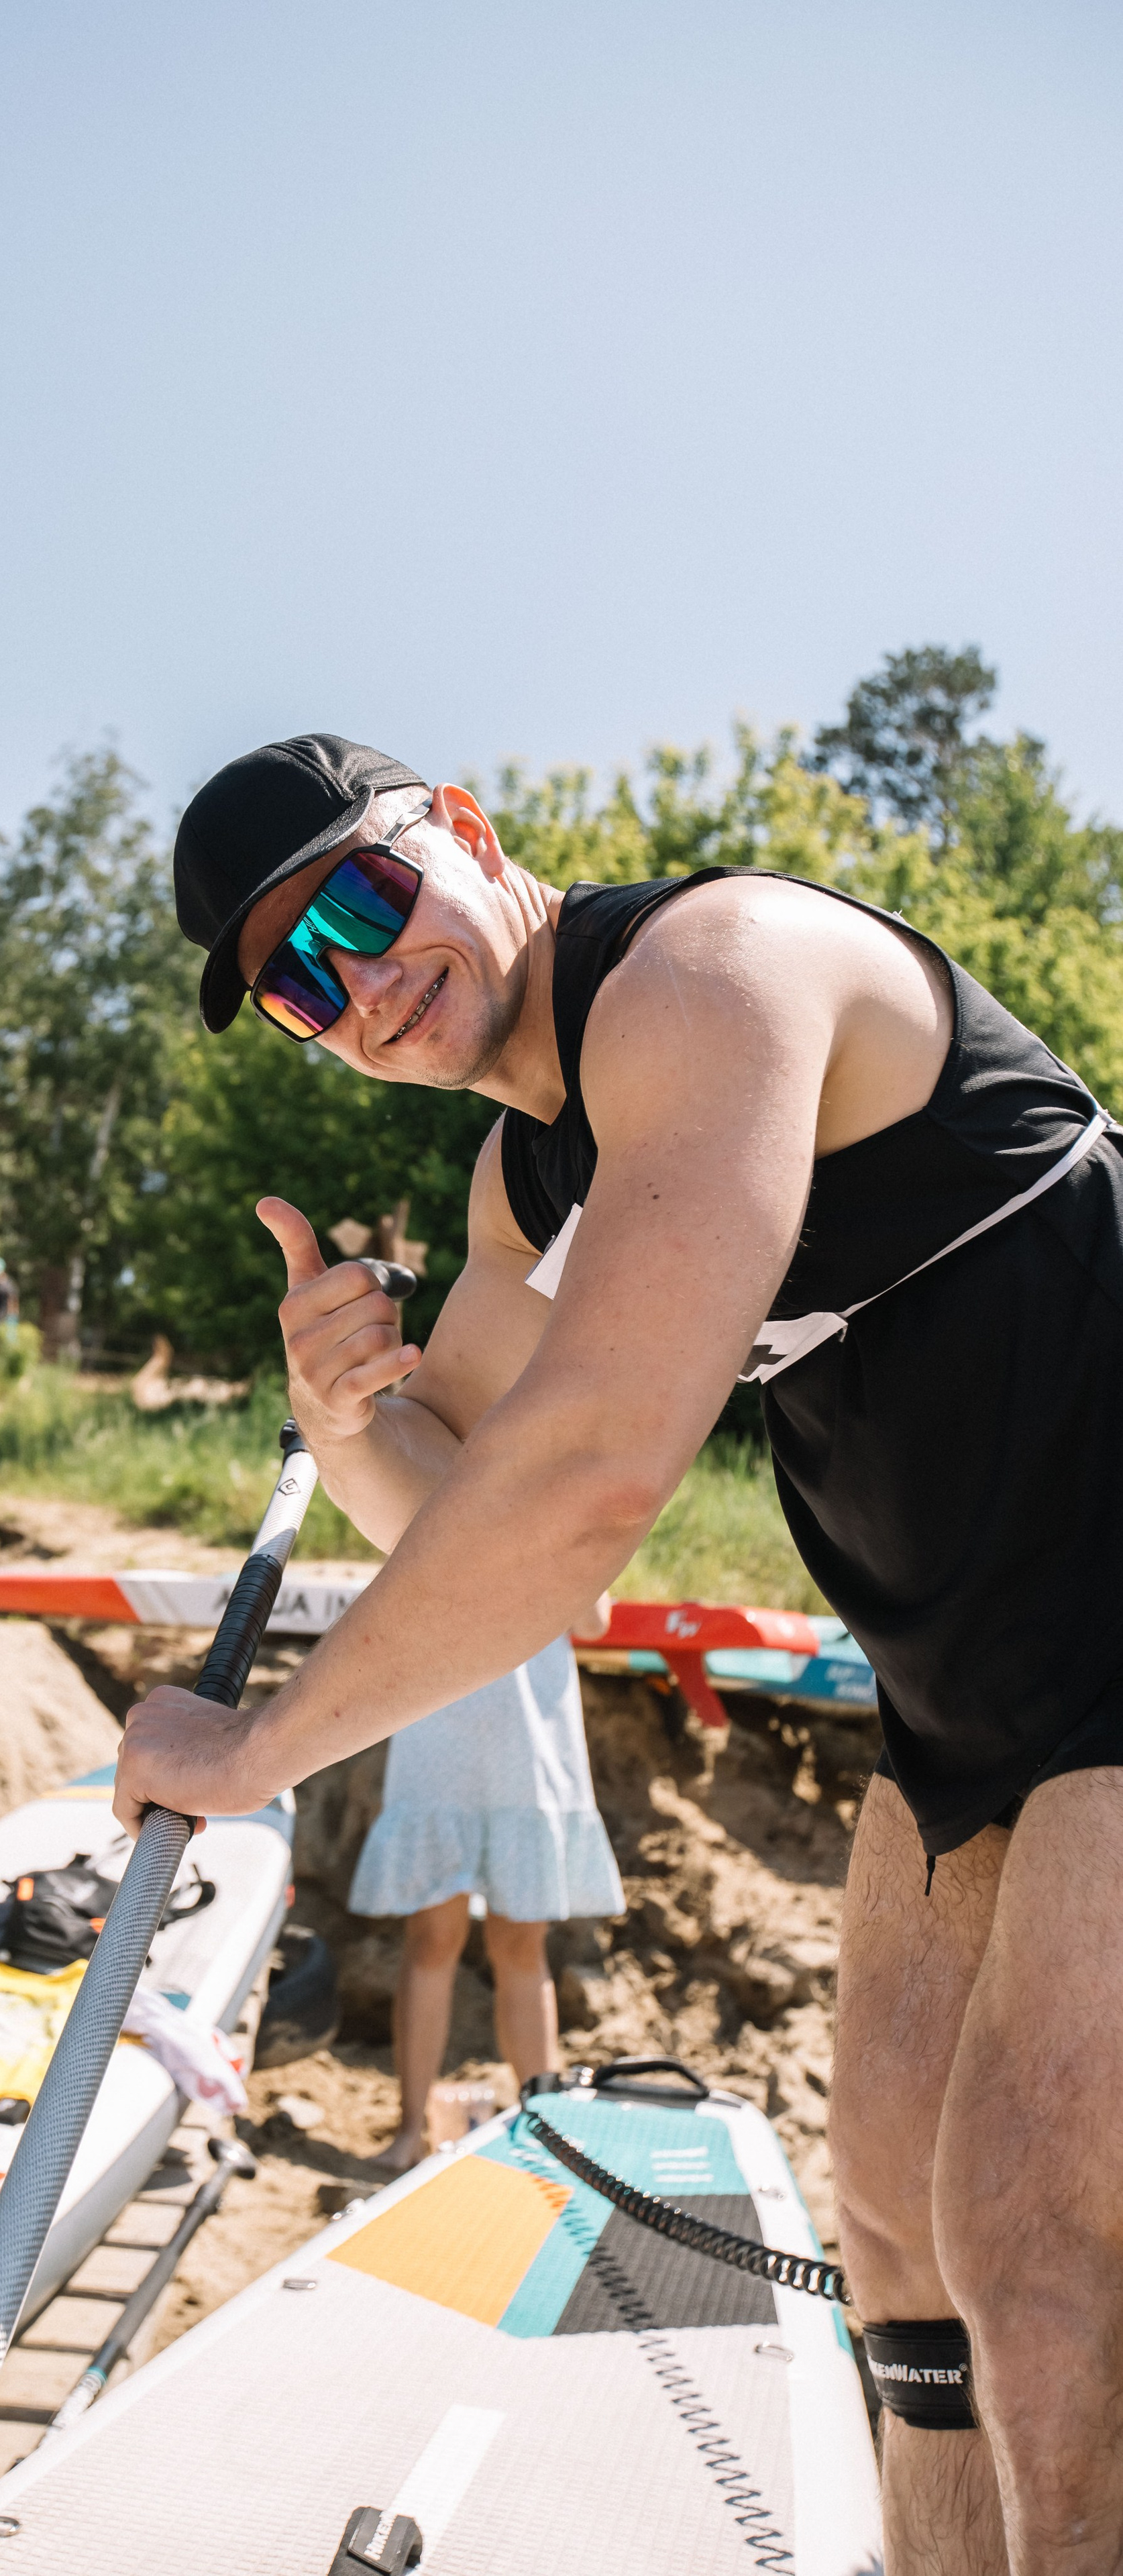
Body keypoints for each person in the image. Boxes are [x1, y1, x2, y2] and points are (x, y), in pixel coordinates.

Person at [115, 735, 1123, 2575]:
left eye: (363, 898)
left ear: (470, 833)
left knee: (1038, 2250)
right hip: (963, 1696)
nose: (354, 981)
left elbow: (586, 1488)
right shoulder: (528, 1179)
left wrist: (253, 1750)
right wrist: (346, 1423)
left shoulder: (712, 974)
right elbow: (481, 1526)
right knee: (899, 2249)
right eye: (293, 983)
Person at [350, 1609, 621, 2172]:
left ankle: (540, 2133)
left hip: (509, 1734)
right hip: (456, 1721)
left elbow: (594, 1617)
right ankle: (413, 2132)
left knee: (495, 1946)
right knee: (453, 1944)